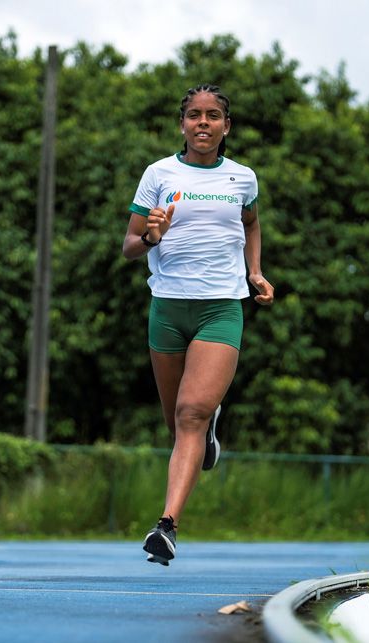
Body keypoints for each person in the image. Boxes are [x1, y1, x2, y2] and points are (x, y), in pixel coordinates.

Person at [121, 84, 274, 566]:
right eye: (193, 115)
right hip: (168, 309)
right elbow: (129, 246)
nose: (202, 123)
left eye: (212, 116)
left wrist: (254, 272)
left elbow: (251, 222)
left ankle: (166, 526)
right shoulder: (158, 174)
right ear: (182, 123)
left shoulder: (242, 178)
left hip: (219, 309)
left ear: (226, 126)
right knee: (177, 423)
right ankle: (207, 431)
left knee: (190, 413)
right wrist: (152, 236)